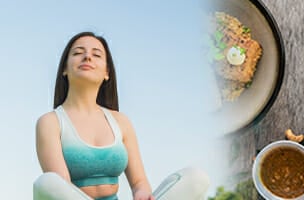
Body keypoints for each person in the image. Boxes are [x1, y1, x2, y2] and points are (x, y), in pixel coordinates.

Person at [33, 32, 209, 200]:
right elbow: (62, 189)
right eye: (78, 53)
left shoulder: (120, 121)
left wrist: (141, 193)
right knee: (47, 183)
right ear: (64, 68)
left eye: (96, 55)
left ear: (107, 73)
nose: (87, 57)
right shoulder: (50, 122)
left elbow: (139, 182)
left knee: (197, 178)